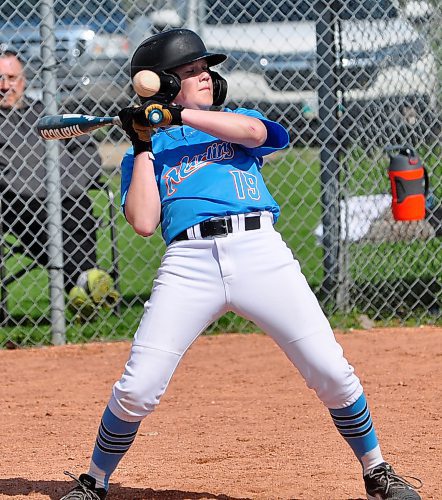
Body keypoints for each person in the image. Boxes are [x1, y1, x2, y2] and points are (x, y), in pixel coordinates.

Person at [59, 29, 422, 500]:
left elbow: (258, 135)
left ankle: (377, 471)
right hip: (189, 261)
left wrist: (180, 114)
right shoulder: (143, 155)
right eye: (190, 72)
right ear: (162, 84)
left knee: (331, 370)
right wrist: (145, 142)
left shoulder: (237, 120)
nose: (205, 76)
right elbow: (144, 222)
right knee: (138, 387)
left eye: (205, 69)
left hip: (259, 252)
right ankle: (95, 480)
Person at [0, 49, 103, 294]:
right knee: (41, 216)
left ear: (24, 80)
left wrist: (71, 184)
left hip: (68, 192)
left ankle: (82, 284)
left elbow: (86, 151)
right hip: (16, 199)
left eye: (11, 78)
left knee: (80, 209)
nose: (5, 86)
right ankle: (85, 283)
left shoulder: (46, 112)